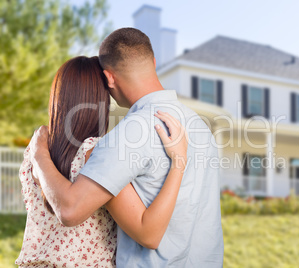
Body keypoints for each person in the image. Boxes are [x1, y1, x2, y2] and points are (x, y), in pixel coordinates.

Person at [30, 28, 224, 267]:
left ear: (109, 78)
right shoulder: (200, 126)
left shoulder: (128, 134)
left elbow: (70, 210)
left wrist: (39, 154)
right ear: (153, 61)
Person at [17, 56, 189, 267]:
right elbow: (149, 234)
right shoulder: (95, 153)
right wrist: (179, 163)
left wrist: (38, 154)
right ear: (100, 101)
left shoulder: (35, 149)